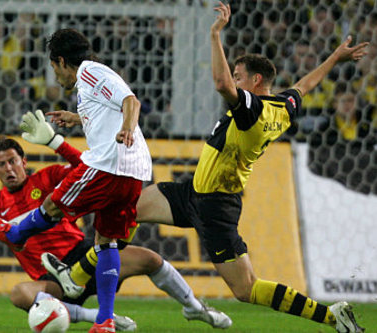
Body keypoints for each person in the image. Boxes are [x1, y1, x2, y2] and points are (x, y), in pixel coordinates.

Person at [49, 2, 368, 333]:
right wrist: (334, 58)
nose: (234, 78)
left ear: (256, 81)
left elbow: (220, 83)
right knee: (125, 208)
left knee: (246, 289)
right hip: (193, 191)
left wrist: (216, 35)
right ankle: (75, 277)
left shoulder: (253, 111)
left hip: (216, 206)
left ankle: (332, 316)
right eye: (234, 73)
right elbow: (304, 86)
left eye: (239, 75)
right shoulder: (283, 106)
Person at [0, 28, 226, 333]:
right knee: (105, 243)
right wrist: (78, 118)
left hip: (111, 164)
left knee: (53, 203)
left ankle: (16, 233)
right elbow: (108, 109)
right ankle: (104, 320)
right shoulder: (88, 87)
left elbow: (130, 102)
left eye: (54, 68)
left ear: (61, 61)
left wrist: (127, 129)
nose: (55, 76)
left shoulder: (90, 73)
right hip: (133, 172)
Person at [0, 134, 231, 331]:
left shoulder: (48, 176)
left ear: (24, 162)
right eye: (2, 164)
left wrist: (56, 141)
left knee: (151, 259)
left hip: (85, 256)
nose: (9, 168)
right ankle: (101, 317)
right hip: (53, 281)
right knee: (20, 293)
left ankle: (195, 308)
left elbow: (88, 168)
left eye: (13, 161)